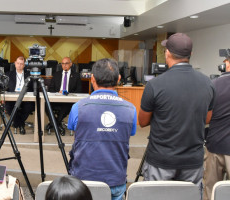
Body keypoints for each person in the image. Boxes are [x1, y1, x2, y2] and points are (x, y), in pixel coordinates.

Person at [138, 33, 215, 195]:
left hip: (161, 160)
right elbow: (207, 118)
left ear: (168, 54)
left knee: (156, 198)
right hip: (192, 161)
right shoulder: (208, 83)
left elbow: (143, 121)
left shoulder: (155, 85)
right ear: (190, 55)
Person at [67, 58, 137, 200]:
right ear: (118, 79)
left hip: (83, 180)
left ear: (92, 79)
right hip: (116, 179)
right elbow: (131, 132)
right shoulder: (131, 109)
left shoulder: (78, 107)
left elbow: (73, 128)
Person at [203, 57, 230, 200]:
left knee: (211, 189)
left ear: (226, 63)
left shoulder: (214, 84)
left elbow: (205, 117)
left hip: (215, 144)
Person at [47, 57, 82, 135]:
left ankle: (54, 124)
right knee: (46, 105)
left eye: (66, 63)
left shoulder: (76, 75)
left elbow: (79, 90)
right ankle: (57, 125)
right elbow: (50, 89)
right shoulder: (56, 74)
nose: (64, 65)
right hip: (56, 98)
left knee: (66, 106)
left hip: (68, 100)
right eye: (62, 63)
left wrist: (68, 93)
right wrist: (58, 92)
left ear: (71, 64)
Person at [5, 56, 35, 135]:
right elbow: (5, 87)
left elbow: (32, 88)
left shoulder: (29, 75)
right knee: (8, 106)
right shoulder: (8, 74)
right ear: (15, 63)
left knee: (29, 106)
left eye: (21, 64)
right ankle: (21, 124)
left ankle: (16, 123)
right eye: (18, 63)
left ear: (24, 65)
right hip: (12, 98)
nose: (19, 65)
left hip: (25, 97)